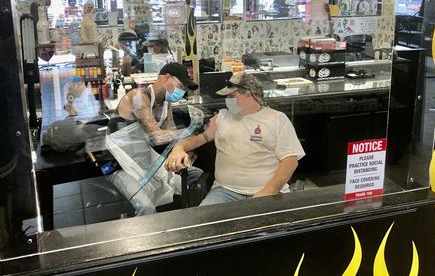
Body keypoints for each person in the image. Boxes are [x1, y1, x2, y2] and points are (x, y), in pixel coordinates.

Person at [165, 73, 305, 205]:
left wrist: (268, 191)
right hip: (225, 191)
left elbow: (290, 161)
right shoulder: (221, 117)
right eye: (227, 97)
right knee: (203, 220)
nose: (228, 100)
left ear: (249, 94)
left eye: (232, 96)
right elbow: (199, 138)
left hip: (268, 191)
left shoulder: (277, 119)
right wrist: (179, 147)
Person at [105, 63, 202, 215]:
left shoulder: (166, 103)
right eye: (181, 86)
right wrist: (190, 130)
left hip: (142, 157)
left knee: (195, 174)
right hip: (117, 163)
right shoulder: (138, 97)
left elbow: (171, 136)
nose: (182, 92)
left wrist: (183, 150)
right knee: (146, 207)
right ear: (167, 78)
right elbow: (157, 137)